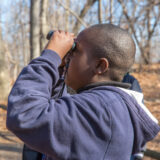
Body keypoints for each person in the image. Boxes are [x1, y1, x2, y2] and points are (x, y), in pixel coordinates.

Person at [6, 24, 160, 160]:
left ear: (100, 66)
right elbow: (55, 111)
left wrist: (50, 57)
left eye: (75, 51)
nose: (68, 56)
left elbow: (24, 113)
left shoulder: (101, 107)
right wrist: (59, 68)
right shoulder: (109, 104)